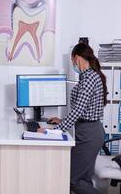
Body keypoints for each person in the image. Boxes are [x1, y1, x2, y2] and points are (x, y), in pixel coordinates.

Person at [38, 43, 106, 194]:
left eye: (72, 60)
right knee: (83, 180)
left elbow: (78, 110)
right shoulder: (87, 77)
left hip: (89, 134)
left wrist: (52, 131)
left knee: (71, 180)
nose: (72, 63)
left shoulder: (89, 78)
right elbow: (83, 111)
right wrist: (62, 122)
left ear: (76, 57)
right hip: (88, 131)